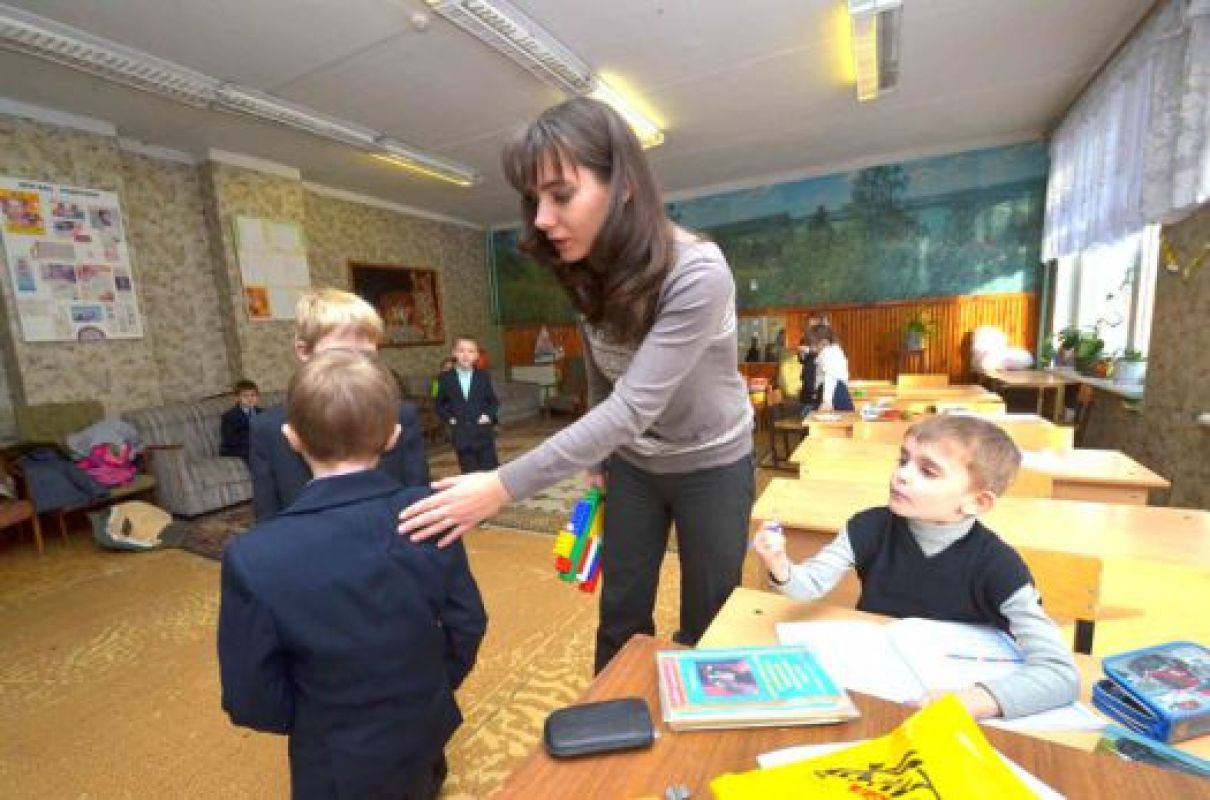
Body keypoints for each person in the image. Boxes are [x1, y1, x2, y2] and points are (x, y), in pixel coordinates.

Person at [398, 97, 755, 674]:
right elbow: (603, 369)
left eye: (561, 195)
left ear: (624, 188)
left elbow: (634, 405)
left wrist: (501, 485)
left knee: (710, 623)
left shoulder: (698, 272)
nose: (542, 218)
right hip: (636, 462)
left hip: (711, 462)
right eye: (535, 199)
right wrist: (603, 457)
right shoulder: (585, 263)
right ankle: (612, 734)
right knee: (620, 613)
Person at [219, 350, 486, 800]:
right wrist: (430, 686)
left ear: (291, 438)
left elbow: (250, 695)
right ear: (393, 437)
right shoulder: (431, 516)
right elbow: (467, 622)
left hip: (332, 755)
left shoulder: (254, 555)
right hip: (424, 726)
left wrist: (317, 720)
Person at [751, 415, 1079, 720]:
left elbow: (1060, 674)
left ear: (977, 502)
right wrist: (780, 565)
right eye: (903, 460)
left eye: (928, 471)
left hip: (947, 704)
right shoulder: (868, 526)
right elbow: (808, 587)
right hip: (874, 687)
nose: (901, 475)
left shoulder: (999, 566)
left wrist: (972, 701)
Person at [249, 288, 429, 522]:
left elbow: (419, 500)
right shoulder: (268, 428)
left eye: (366, 356)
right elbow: (268, 516)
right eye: (339, 354)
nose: (353, 367)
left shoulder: (401, 416)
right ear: (304, 351)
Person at [434, 336, 500, 473]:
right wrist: (450, 418)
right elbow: (439, 404)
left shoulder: (483, 376)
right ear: (454, 353)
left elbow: (493, 401)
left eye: (470, 351)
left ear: (476, 355)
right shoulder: (445, 379)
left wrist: (488, 415)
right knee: (469, 472)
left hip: (483, 433)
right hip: (462, 435)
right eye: (461, 350)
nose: (465, 355)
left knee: (490, 471)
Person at [806, 322, 854, 412]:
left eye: (813, 344)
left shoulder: (829, 353)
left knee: (835, 423)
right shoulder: (831, 350)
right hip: (834, 391)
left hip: (834, 393)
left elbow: (830, 377)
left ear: (824, 342)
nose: (811, 348)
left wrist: (826, 402)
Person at [219, 379, 261, 463]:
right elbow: (230, 440)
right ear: (237, 398)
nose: (250, 399)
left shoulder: (262, 413)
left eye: (253, 395)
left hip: (260, 447)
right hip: (237, 449)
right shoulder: (229, 416)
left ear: (258, 396)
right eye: (245, 396)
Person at [796, 333, 819, 409]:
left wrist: (807, 350)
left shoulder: (822, 339)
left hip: (817, 377)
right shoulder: (804, 339)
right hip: (807, 377)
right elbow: (801, 360)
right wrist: (801, 355)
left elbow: (821, 350)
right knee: (805, 406)